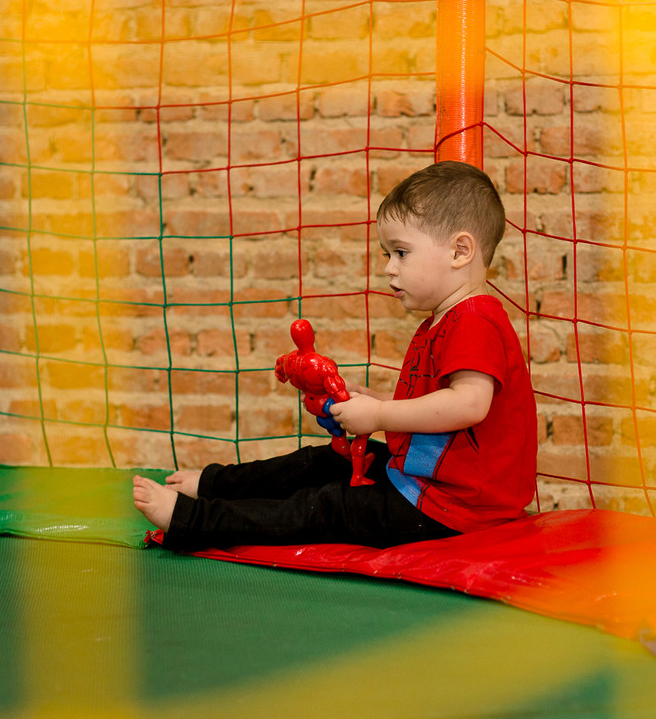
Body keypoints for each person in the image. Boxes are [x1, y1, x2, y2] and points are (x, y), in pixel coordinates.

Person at [132, 160, 537, 551]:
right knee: (321, 463)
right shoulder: (445, 319)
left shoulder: (475, 320)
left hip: (454, 510)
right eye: (387, 255)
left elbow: (468, 404)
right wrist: (374, 402)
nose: (389, 269)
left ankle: (193, 521)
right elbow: (436, 409)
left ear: (459, 251)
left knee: (327, 507)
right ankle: (214, 484)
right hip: (421, 482)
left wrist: (378, 417)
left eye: (401, 252)